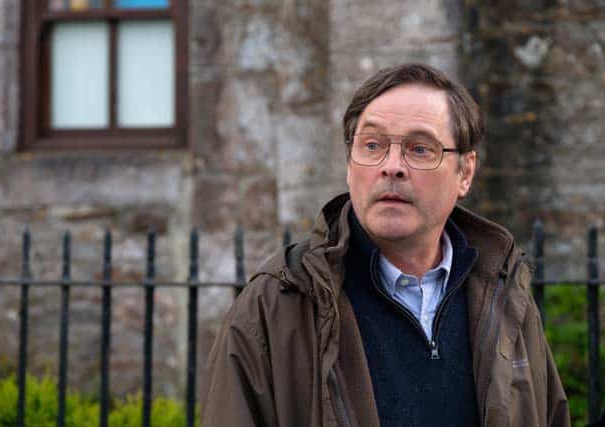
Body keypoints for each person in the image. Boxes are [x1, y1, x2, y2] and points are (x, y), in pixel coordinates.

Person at [200, 63, 570, 427]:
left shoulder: (504, 294)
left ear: (465, 172)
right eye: (372, 145)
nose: (392, 166)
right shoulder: (278, 305)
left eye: (420, 149)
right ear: (350, 165)